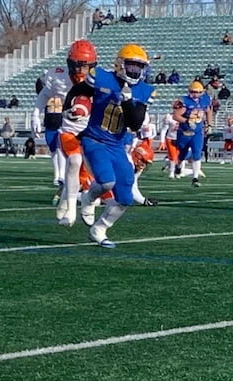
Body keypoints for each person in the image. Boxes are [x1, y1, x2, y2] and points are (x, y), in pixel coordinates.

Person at [75, 44, 155, 248]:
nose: (135, 71)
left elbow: (135, 123)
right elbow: (79, 91)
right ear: (119, 64)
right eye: (132, 66)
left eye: (139, 67)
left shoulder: (144, 90)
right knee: (107, 182)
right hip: (94, 139)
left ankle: (99, 229)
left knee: (126, 197)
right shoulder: (101, 77)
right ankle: (88, 196)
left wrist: (128, 101)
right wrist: (71, 108)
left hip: (117, 145)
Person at [38, 41, 97, 219]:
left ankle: (70, 199)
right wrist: (35, 115)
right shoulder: (58, 76)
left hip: (89, 131)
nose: (81, 70)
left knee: (91, 172)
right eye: (78, 65)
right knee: (74, 161)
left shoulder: (98, 79)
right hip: (68, 130)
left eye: (85, 66)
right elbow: (43, 95)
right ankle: (71, 209)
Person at [172, 80, 213, 186]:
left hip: (197, 132)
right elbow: (175, 116)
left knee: (197, 153)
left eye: (198, 92)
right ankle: (179, 165)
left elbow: (208, 112)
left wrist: (209, 125)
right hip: (184, 132)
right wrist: (186, 121)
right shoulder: (185, 101)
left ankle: (195, 178)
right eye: (193, 92)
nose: (196, 94)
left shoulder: (205, 100)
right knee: (183, 153)